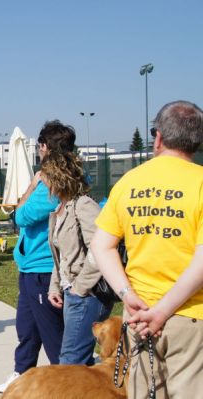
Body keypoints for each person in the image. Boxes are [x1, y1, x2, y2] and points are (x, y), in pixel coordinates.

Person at [91, 100, 203, 398]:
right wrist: (164, 311)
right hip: (190, 318)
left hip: (138, 316)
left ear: (158, 138)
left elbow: (102, 246)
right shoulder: (201, 183)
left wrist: (128, 297)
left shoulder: (129, 182)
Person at [0, 120, 74, 394]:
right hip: (30, 268)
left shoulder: (54, 181)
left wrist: (32, 184)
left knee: (53, 334)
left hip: (44, 270)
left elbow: (21, 215)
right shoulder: (62, 175)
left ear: (44, 147)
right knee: (27, 329)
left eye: (39, 147)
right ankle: (22, 374)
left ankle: (64, 385)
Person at [40, 152, 113, 365]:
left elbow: (100, 249)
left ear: (57, 177)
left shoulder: (83, 205)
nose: (42, 181)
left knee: (71, 362)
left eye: (44, 175)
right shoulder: (60, 209)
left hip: (88, 295)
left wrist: (79, 287)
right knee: (77, 360)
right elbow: (62, 256)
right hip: (73, 293)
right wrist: (55, 287)